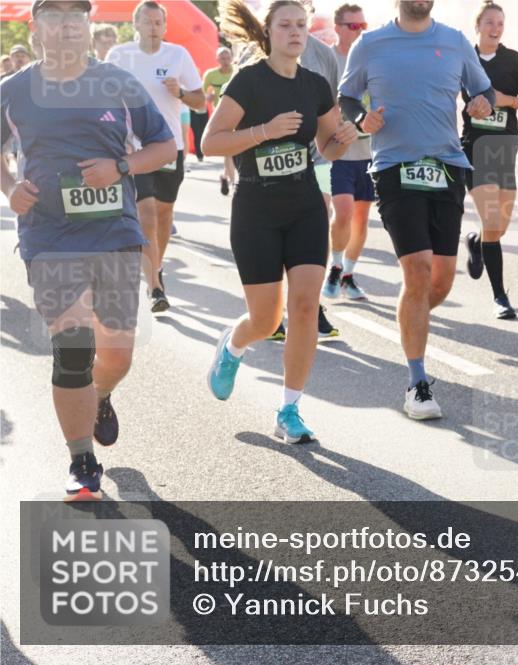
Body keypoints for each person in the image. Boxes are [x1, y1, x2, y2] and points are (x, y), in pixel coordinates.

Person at [0, 0, 175, 500]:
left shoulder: (116, 83)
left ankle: (101, 396)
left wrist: (121, 169)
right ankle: (82, 460)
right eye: (55, 17)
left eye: (77, 17)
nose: (67, 26)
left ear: (87, 26)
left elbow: (164, 147)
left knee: (116, 353)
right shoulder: (13, 91)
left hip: (114, 233)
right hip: (48, 236)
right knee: (73, 348)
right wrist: (10, 187)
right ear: (37, 29)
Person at [203, 0, 356, 444]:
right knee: (267, 320)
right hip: (256, 211)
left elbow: (328, 149)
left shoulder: (315, 85)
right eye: (285, 24)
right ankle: (234, 345)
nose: (295, 31)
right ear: (268, 32)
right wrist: (264, 131)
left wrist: (343, 138)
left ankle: (289, 411)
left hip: (305, 205)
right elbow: (212, 142)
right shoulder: (248, 81)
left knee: (305, 307)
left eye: (301, 25)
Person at [338, 0, 495, 420]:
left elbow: (484, 91)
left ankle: (412, 321)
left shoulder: (455, 41)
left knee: (439, 282)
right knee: (419, 270)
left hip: (447, 166)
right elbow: (347, 98)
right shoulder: (370, 44)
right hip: (394, 167)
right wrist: (362, 121)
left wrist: (481, 103)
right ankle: (417, 382)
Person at [107, 1, 206, 313]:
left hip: (169, 145)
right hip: (133, 147)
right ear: (136, 24)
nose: (153, 27)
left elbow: (201, 102)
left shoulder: (177, 55)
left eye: (158, 22)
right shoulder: (119, 56)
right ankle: (155, 287)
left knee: (164, 215)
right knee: (146, 214)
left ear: (165, 26)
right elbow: (103, 99)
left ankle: (156, 267)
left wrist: (180, 93)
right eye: (147, 21)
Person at [461, 1, 518, 320]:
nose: (495, 28)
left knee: (499, 227)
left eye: (500, 23)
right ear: (478, 25)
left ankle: (476, 242)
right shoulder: (465, 59)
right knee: (493, 220)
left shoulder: (514, 60)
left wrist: (505, 101)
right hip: (475, 148)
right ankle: (500, 297)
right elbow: (441, 93)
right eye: (490, 22)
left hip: (506, 148)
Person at [267, 27, 343, 341]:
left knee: (316, 222)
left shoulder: (324, 54)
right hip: (271, 157)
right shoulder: (262, 44)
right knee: (277, 230)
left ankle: (312, 302)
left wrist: (338, 138)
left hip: (318, 156)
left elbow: (332, 107)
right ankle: (273, 308)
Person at [325, 2, 374, 302]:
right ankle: (334, 265)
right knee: (342, 211)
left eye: (363, 26)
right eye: (353, 26)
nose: (359, 32)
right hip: (336, 151)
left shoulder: (372, 60)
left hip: (368, 152)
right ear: (338, 28)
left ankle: (348, 275)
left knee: (361, 218)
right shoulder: (328, 60)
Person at [202, 47, 237, 194]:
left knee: (232, 150)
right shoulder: (210, 75)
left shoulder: (237, 71)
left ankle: (225, 176)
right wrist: (207, 98)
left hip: (239, 115)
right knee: (229, 151)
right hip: (220, 116)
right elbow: (203, 93)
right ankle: (234, 183)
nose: (225, 61)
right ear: (217, 59)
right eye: (222, 58)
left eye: (228, 57)